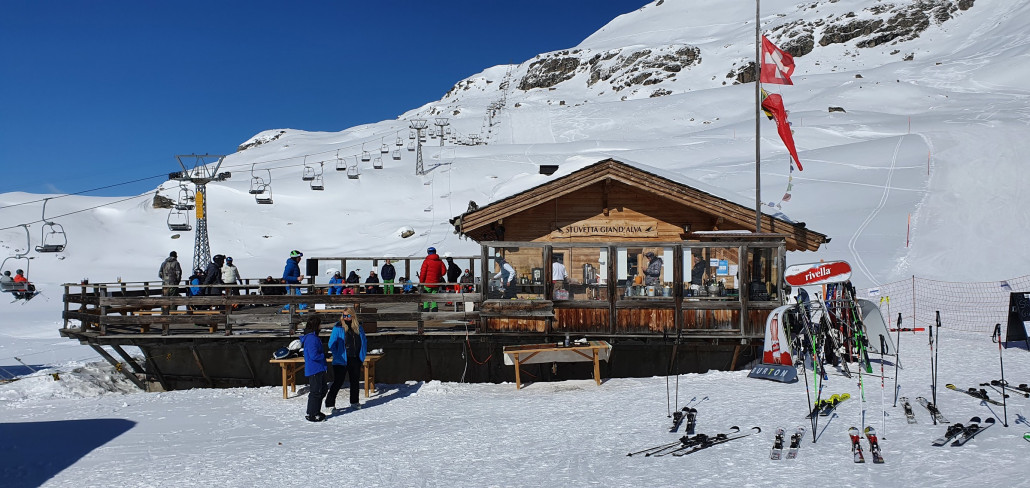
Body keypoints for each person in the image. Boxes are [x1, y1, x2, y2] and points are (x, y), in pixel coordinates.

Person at [325, 308, 367, 412]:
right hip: (342, 359)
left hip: (355, 358)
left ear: (353, 316)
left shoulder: (358, 327)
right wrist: (337, 354)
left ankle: (354, 401)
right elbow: (331, 343)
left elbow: (363, 342)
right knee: (338, 381)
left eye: (348, 316)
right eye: (344, 316)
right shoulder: (338, 327)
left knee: (355, 381)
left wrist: (362, 356)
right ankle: (330, 403)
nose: (346, 318)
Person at [300, 315, 328, 422]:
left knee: (323, 389)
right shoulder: (311, 338)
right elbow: (314, 355)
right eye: (320, 324)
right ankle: (312, 413)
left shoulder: (313, 337)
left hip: (319, 368)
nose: (321, 326)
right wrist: (324, 355)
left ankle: (316, 410)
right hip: (314, 368)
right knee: (315, 391)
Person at [418, 247, 448, 312]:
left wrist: (421, 282)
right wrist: (438, 275)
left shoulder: (426, 261)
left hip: (427, 283)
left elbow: (423, 273)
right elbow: (444, 271)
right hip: (436, 283)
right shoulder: (440, 261)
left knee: (426, 297)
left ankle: (426, 309)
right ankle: (434, 309)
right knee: (434, 297)